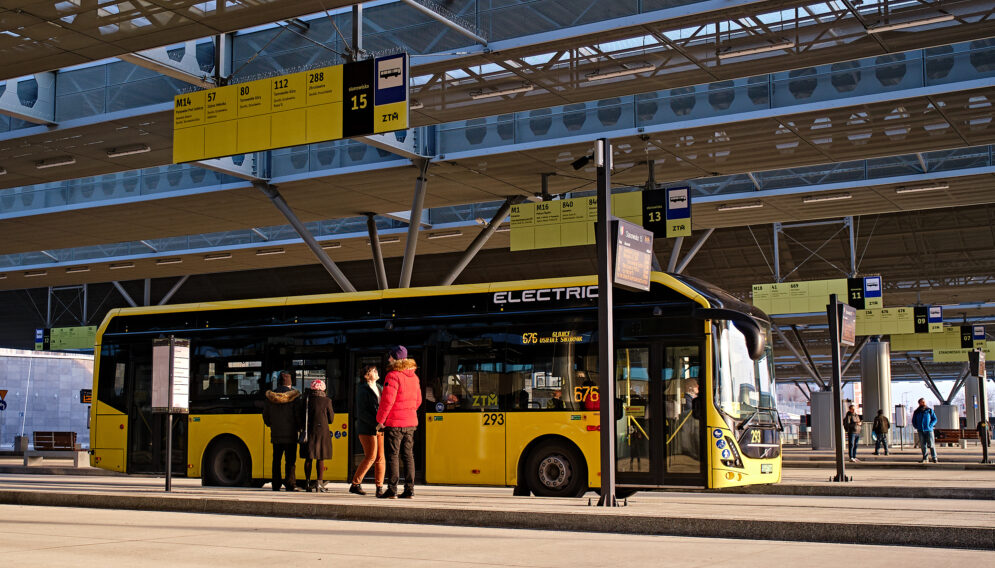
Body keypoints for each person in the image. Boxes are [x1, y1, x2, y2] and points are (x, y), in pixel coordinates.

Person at [376, 345, 422, 499]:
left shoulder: (393, 375)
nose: (388, 359)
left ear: (395, 358)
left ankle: (392, 489)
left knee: (393, 456)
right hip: (410, 423)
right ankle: (409, 490)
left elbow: (387, 401)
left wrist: (381, 420)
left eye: (390, 356)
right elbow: (418, 401)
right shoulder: (414, 377)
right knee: (408, 455)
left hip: (395, 423)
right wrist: (408, 411)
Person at [262, 371, 302, 491]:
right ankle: (290, 484)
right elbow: (298, 415)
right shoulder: (294, 397)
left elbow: (266, 417)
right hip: (291, 435)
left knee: (276, 460)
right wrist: (298, 427)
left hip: (276, 434)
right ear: (290, 384)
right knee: (290, 461)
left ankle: (276, 484)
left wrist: (272, 425)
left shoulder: (270, 397)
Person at [351, 365, 385, 496]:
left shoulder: (380, 388)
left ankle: (379, 487)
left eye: (376, 370)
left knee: (381, 458)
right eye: (373, 371)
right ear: (366, 375)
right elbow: (362, 413)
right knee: (371, 456)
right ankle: (355, 483)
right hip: (367, 429)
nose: (376, 372)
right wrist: (377, 424)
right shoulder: (362, 390)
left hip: (380, 427)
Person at [300, 379, 334, 492]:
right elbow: (331, 419)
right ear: (323, 389)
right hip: (322, 432)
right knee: (320, 458)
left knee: (308, 458)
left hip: (308, 431)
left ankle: (308, 483)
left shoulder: (306, 400)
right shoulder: (327, 401)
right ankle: (319, 483)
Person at [912, 398, 938, 463]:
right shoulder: (916, 412)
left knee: (931, 444)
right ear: (919, 403)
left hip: (929, 430)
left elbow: (934, 419)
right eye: (921, 402)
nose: (923, 403)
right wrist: (916, 426)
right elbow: (913, 420)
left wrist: (931, 425)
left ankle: (934, 457)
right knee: (923, 445)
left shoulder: (929, 410)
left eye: (923, 402)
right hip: (920, 430)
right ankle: (925, 457)